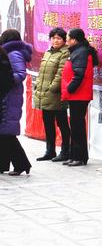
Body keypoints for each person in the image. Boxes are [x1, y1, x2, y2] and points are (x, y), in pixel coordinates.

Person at [61, 28, 98, 167]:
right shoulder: (78, 51)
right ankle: (74, 156)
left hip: (79, 95)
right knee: (75, 126)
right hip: (76, 95)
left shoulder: (81, 52)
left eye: (68, 38)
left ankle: (80, 157)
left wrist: (69, 88)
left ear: (74, 40)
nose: (66, 41)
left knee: (78, 127)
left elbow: (79, 74)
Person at [32, 27, 70, 162]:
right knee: (48, 124)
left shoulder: (65, 53)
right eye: (53, 38)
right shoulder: (48, 52)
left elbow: (61, 73)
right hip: (44, 94)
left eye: (58, 38)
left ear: (64, 40)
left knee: (62, 124)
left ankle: (65, 151)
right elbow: (42, 72)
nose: (55, 41)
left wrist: (51, 88)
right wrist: (38, 86)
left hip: (56, 94)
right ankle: (50, 151)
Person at [0, 30, 33, 176]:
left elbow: (20, 74)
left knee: (6, 133)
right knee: (4, 133)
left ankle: (22, 164)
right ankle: (3, 164)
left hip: (10, 96)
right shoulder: (9, 52)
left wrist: (5, 80)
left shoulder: (13, 53)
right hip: (7, 94)